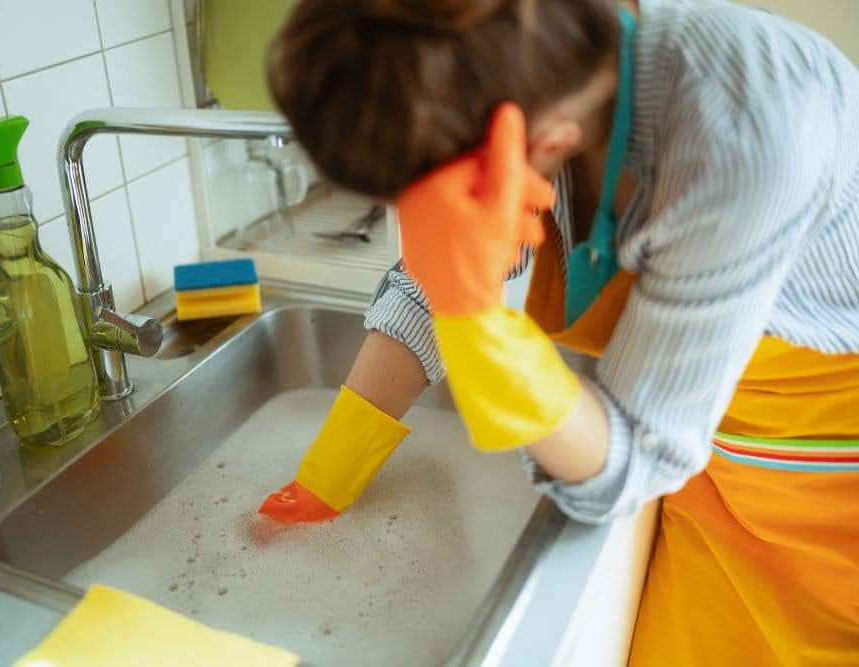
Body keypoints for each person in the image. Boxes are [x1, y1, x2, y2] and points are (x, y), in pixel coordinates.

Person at [257, 0, 859, 663]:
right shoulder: (537, 75)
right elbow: (439, 266)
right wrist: (329, 473)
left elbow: (633, 458)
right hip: (704, 458)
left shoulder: (742, 134)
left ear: (536, 144)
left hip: (830, 495)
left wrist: (475, 316)